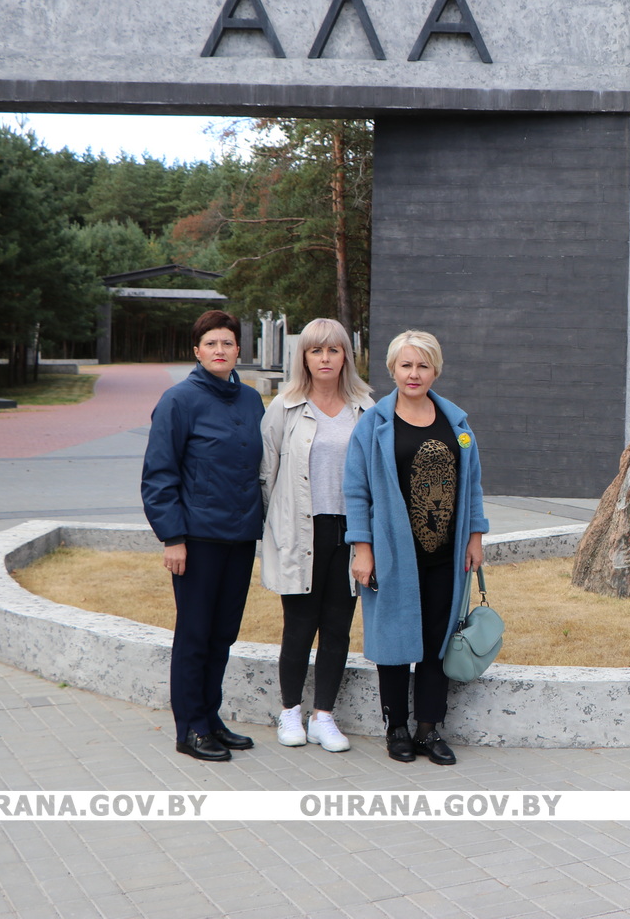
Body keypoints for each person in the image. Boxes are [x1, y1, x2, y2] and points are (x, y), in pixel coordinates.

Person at [343, 330, 487, 766]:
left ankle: (428, 729)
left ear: (436, 370)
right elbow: (356, 491)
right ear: (392, 369)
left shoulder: (456, 424)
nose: (414, 373)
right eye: (406, 365)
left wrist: (476, 536)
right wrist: (361, 549)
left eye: (423, 365)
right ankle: (397, 729)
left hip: (446, 556)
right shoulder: (374, 425)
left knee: (435, 643)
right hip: (391, 555)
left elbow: (474, 485)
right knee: (392, 642)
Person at [141, 309, 264, 763]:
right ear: (197, 350)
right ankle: (189, 727)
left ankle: (211, 718)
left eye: (227, 343)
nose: (219, 350)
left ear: (237, 351)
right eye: (210, 343)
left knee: (223, 634)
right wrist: (172, 537)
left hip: (240, 537)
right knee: (194, 634)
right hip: (197, 541)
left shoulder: (252, 402)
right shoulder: (178, 401)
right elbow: (158, 476)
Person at [260, 318, 374, 752]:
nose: (325, 359)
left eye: (333, 350)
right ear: (303, 357)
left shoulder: (365, 407)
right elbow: (265, 476)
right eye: (315, 351)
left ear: (346, 356)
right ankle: (290, 710)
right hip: (299, 532)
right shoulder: (284, 408)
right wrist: (275, 532)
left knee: (338, 627)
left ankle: (324, 714)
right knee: (299, 625)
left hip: (349, 532)